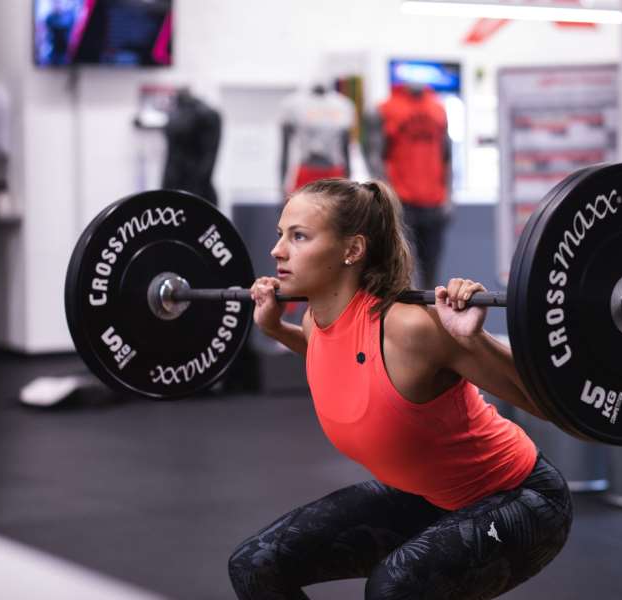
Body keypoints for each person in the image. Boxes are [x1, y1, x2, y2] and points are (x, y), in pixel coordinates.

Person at [228, 178, 573, 599]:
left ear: (352, 250)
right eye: (281, 234)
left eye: (298, 236)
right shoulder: (313, 322)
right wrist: (275, 329)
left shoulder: (411, 329)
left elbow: (550, 402)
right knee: (255, 565)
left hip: (520, 500)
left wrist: (471, 340)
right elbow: (348, 363)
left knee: (395, 588)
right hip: (426, 496)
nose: (277, 250)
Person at [370, 83, 452, 289]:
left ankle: (430, 318)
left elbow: (447, 155)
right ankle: (407, 318)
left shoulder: (438, 107)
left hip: (434, 201)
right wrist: (385, 197)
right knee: (402, 271)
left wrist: (449, 197)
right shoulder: (385, 109)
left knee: (432, 273)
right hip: (401, 201)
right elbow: (375, 156)